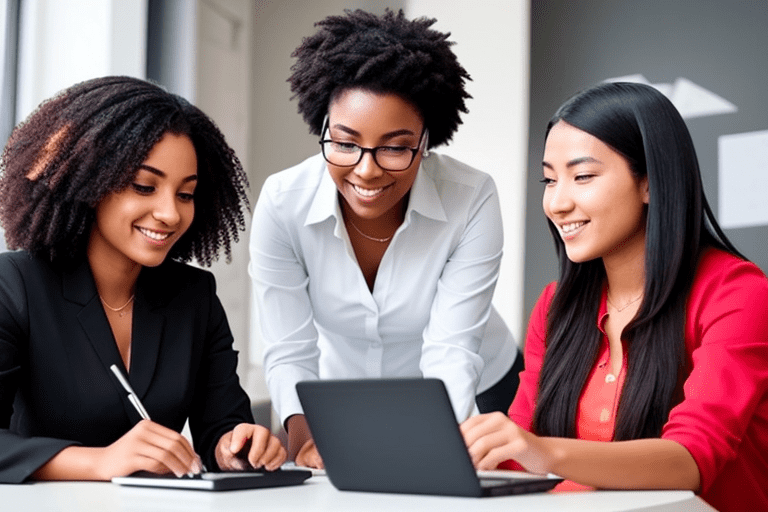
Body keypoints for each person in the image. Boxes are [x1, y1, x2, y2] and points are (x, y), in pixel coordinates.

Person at [460, 82, 768, 511]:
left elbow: (692, 459)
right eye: (549, 179)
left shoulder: (737, 293)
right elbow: (515, 458)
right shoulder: (555, 305)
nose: (558, 202)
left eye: (582, 176)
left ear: (649, 183)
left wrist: (543, 450)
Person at [249, 9, 521, 468]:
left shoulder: (471, 197)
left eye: (395, 147)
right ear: (322, 128)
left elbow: (450, 349)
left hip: (479, 385)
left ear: (427, 140)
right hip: (346, 397)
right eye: (345, 142)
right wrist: (302, 445)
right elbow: (290, 349)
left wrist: (441, 448)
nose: (366, 169)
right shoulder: (283, 202)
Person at [0, 76, 286, 483]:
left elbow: (221, 425)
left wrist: (237, 446)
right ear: (88, 182)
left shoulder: (194, 296)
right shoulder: (16, 285)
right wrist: (100, 462)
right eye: (144, 186)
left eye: (185, 194)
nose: (170, 213)